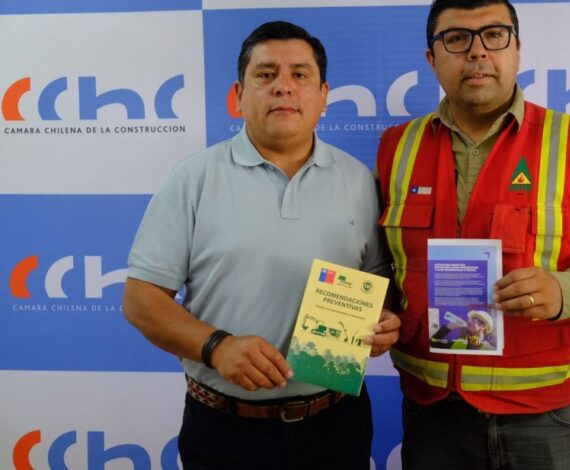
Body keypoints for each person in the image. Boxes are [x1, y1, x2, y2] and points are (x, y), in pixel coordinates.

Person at [374, 1, 570, 468]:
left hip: (545, 420)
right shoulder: (396, 147)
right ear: (432, 58)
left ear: (517, 49)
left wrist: (565, 290)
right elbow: (381, 263)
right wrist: (378, 314)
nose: (477, 52)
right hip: (432, 415)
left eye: (494, 35)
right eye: (457, 39)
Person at [123, 21, 399, 470]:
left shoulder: (360, 181)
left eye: (300, 75)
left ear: (324, 96)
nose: (283, 87)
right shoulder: (193, 180)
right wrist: (216, 346)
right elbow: (140, 299)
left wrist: (384, 320)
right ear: (239, 95)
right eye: (266, 75)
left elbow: (378, 279)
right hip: (225, 429)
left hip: (336, 423)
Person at [431, 309, 495, 350]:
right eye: (470, 319)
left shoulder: (489, 349)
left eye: (474, 320)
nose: (469, 321)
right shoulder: (458, 343)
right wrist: (447, 328)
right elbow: (433, 343)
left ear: (482, 326)